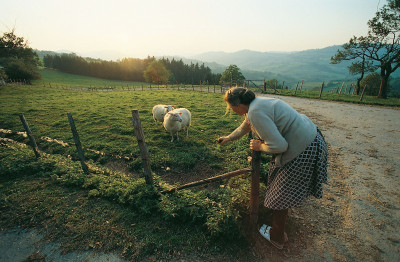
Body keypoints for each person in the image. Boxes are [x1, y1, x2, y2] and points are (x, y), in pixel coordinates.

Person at [217, 87, 328, 249]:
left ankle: (277, 237)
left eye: (231, 107)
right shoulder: (256, 104)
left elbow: (279, 146)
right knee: (282, 190)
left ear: (238, 105)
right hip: (311, 138)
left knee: (280, 192)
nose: (231, 110)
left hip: (303, 148)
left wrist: (259, 146)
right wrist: (228, 138)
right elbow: (246, 126)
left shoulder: (255, 112)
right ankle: (279, 229)